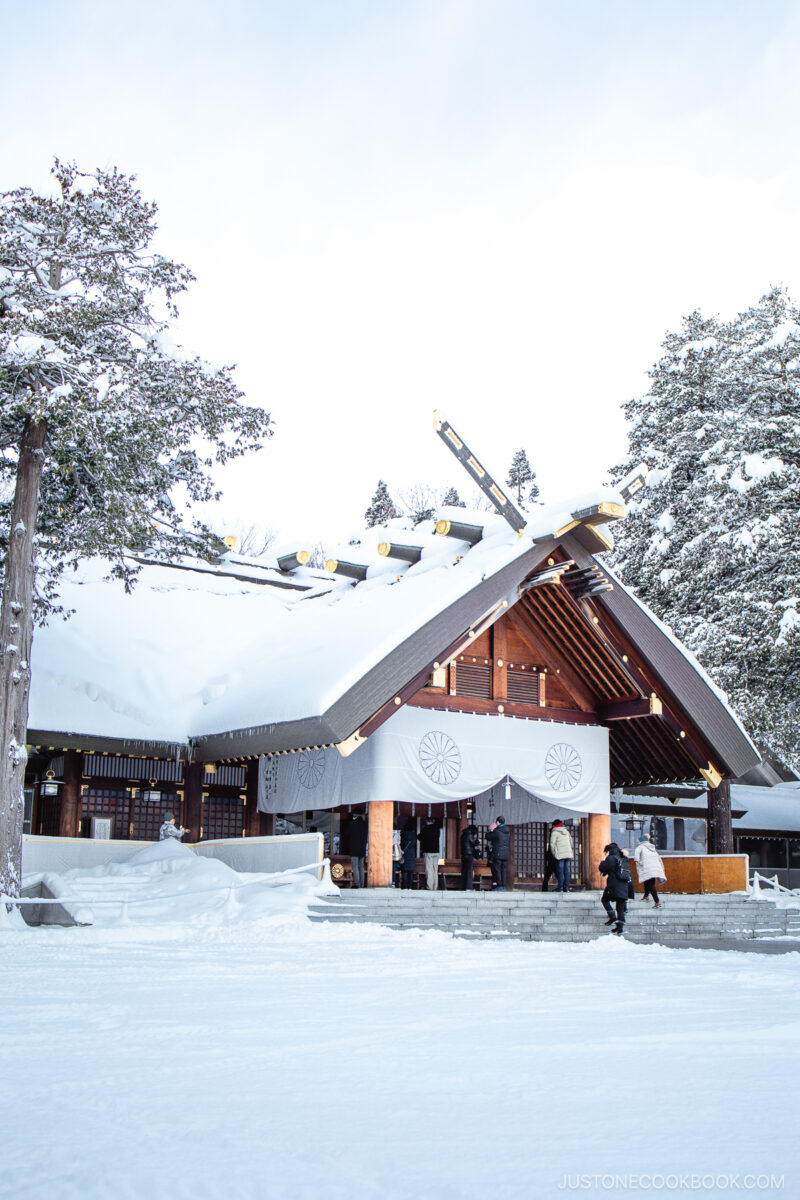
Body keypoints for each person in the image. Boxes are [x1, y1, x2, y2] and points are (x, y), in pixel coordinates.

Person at [598, 842, 631, 934]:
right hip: (624, 885)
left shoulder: (611, 858)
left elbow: (602, 867)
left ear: (608, 850)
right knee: (620, 907)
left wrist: (604, 860)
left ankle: (612, 917)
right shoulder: (623, 858)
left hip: (613, 885)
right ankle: (620, 928)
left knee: (604, 899)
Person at [634, 833, 666, 907]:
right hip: (655, 868)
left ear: (640, 841)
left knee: (651, 885)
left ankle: (657, 902)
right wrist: (661, 868)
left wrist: (639, 862)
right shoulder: (652, 848)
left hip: (647, 868)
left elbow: (636, 858)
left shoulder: (640, 847)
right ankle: (646, 896)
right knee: (647, 881)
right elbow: (659, 859)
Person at [549, 819, 574, 892]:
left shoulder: (555, 832)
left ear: (554, 825)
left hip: (560, 855)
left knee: (560, 871)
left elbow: (552, 844)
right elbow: (571, 842)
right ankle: (566, 887)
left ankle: (560, 887)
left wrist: (554, 853)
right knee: (566, 871)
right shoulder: (566, 832)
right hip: (567, 853)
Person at [486, 815, 510, 890]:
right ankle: (503, 886)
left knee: (497, 869)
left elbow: (488, 837)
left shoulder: (497, 831)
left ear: (498, 822)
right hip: (505, 854)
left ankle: (499, 886)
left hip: (498, 853)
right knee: (503, 870)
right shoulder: (507, 831)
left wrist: (489, 831)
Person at [419, 816, 441, 891]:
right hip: (436, 852)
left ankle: (430, 887)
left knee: (429, 870)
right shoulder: (437, 829)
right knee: (435, 869)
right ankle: (435, 887)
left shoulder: (425, 829)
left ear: (427, 822)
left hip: (428, 852)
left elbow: (419, 837)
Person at [347, 811, 368, 888]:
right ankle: (362, 884)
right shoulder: (365, 825)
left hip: (353, 849)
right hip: (362, 849)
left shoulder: (352, 824)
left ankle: (357, 884)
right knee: (361, 867)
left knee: (355, 866)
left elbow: (347, 835)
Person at [460, 823, 479, 891]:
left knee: (464, 871)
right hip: (469, 854)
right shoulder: (469, 835)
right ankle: (468, 887)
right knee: (469, 871)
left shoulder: (463, 835)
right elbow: (473, 843)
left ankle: (463, 886)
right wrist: (478, 841)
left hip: (463, 854)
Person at [400, 817, 418, 889]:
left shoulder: (403, 835)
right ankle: (409, 887)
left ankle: (404, 887)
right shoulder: (414, 836)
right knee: (410, 872)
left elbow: (400, 844)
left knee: (404, 872)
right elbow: (415, 845)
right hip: (411, 855)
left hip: (404, 855)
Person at [541, 822, 558, 891]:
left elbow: (551, 845)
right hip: (557, 856)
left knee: (548, 874)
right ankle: (562, 886)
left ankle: (544, 888)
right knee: (557, 873)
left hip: (552, 856)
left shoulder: (554, 832)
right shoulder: (559, 832)